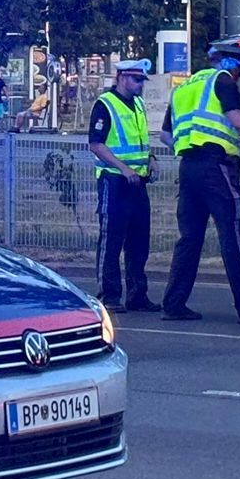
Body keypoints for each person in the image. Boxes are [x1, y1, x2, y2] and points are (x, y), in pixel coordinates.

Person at [160, 49, 240, 324]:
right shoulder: (223, 81)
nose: (238, 77)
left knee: (189, 239)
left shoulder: (184, 88)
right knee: (232, 235)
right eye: (239, 72)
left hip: (189, 168)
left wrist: (190, 146)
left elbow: (165, 136)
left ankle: (173, 304)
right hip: (216, 167)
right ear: (233, 66)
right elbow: (238, 123)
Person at [87, 59, 157, 313]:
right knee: (112, 240)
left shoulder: (138, 104)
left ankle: (137, 295)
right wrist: (122, 168)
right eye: (136, 79)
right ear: (122, 77)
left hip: (137, 182)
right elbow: (96, 144)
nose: (140, 85)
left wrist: (151, 159)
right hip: (114, 181)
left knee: (139, 241)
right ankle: (109, 295)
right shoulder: (105, 104)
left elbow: (140, 140)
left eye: (142, 80)